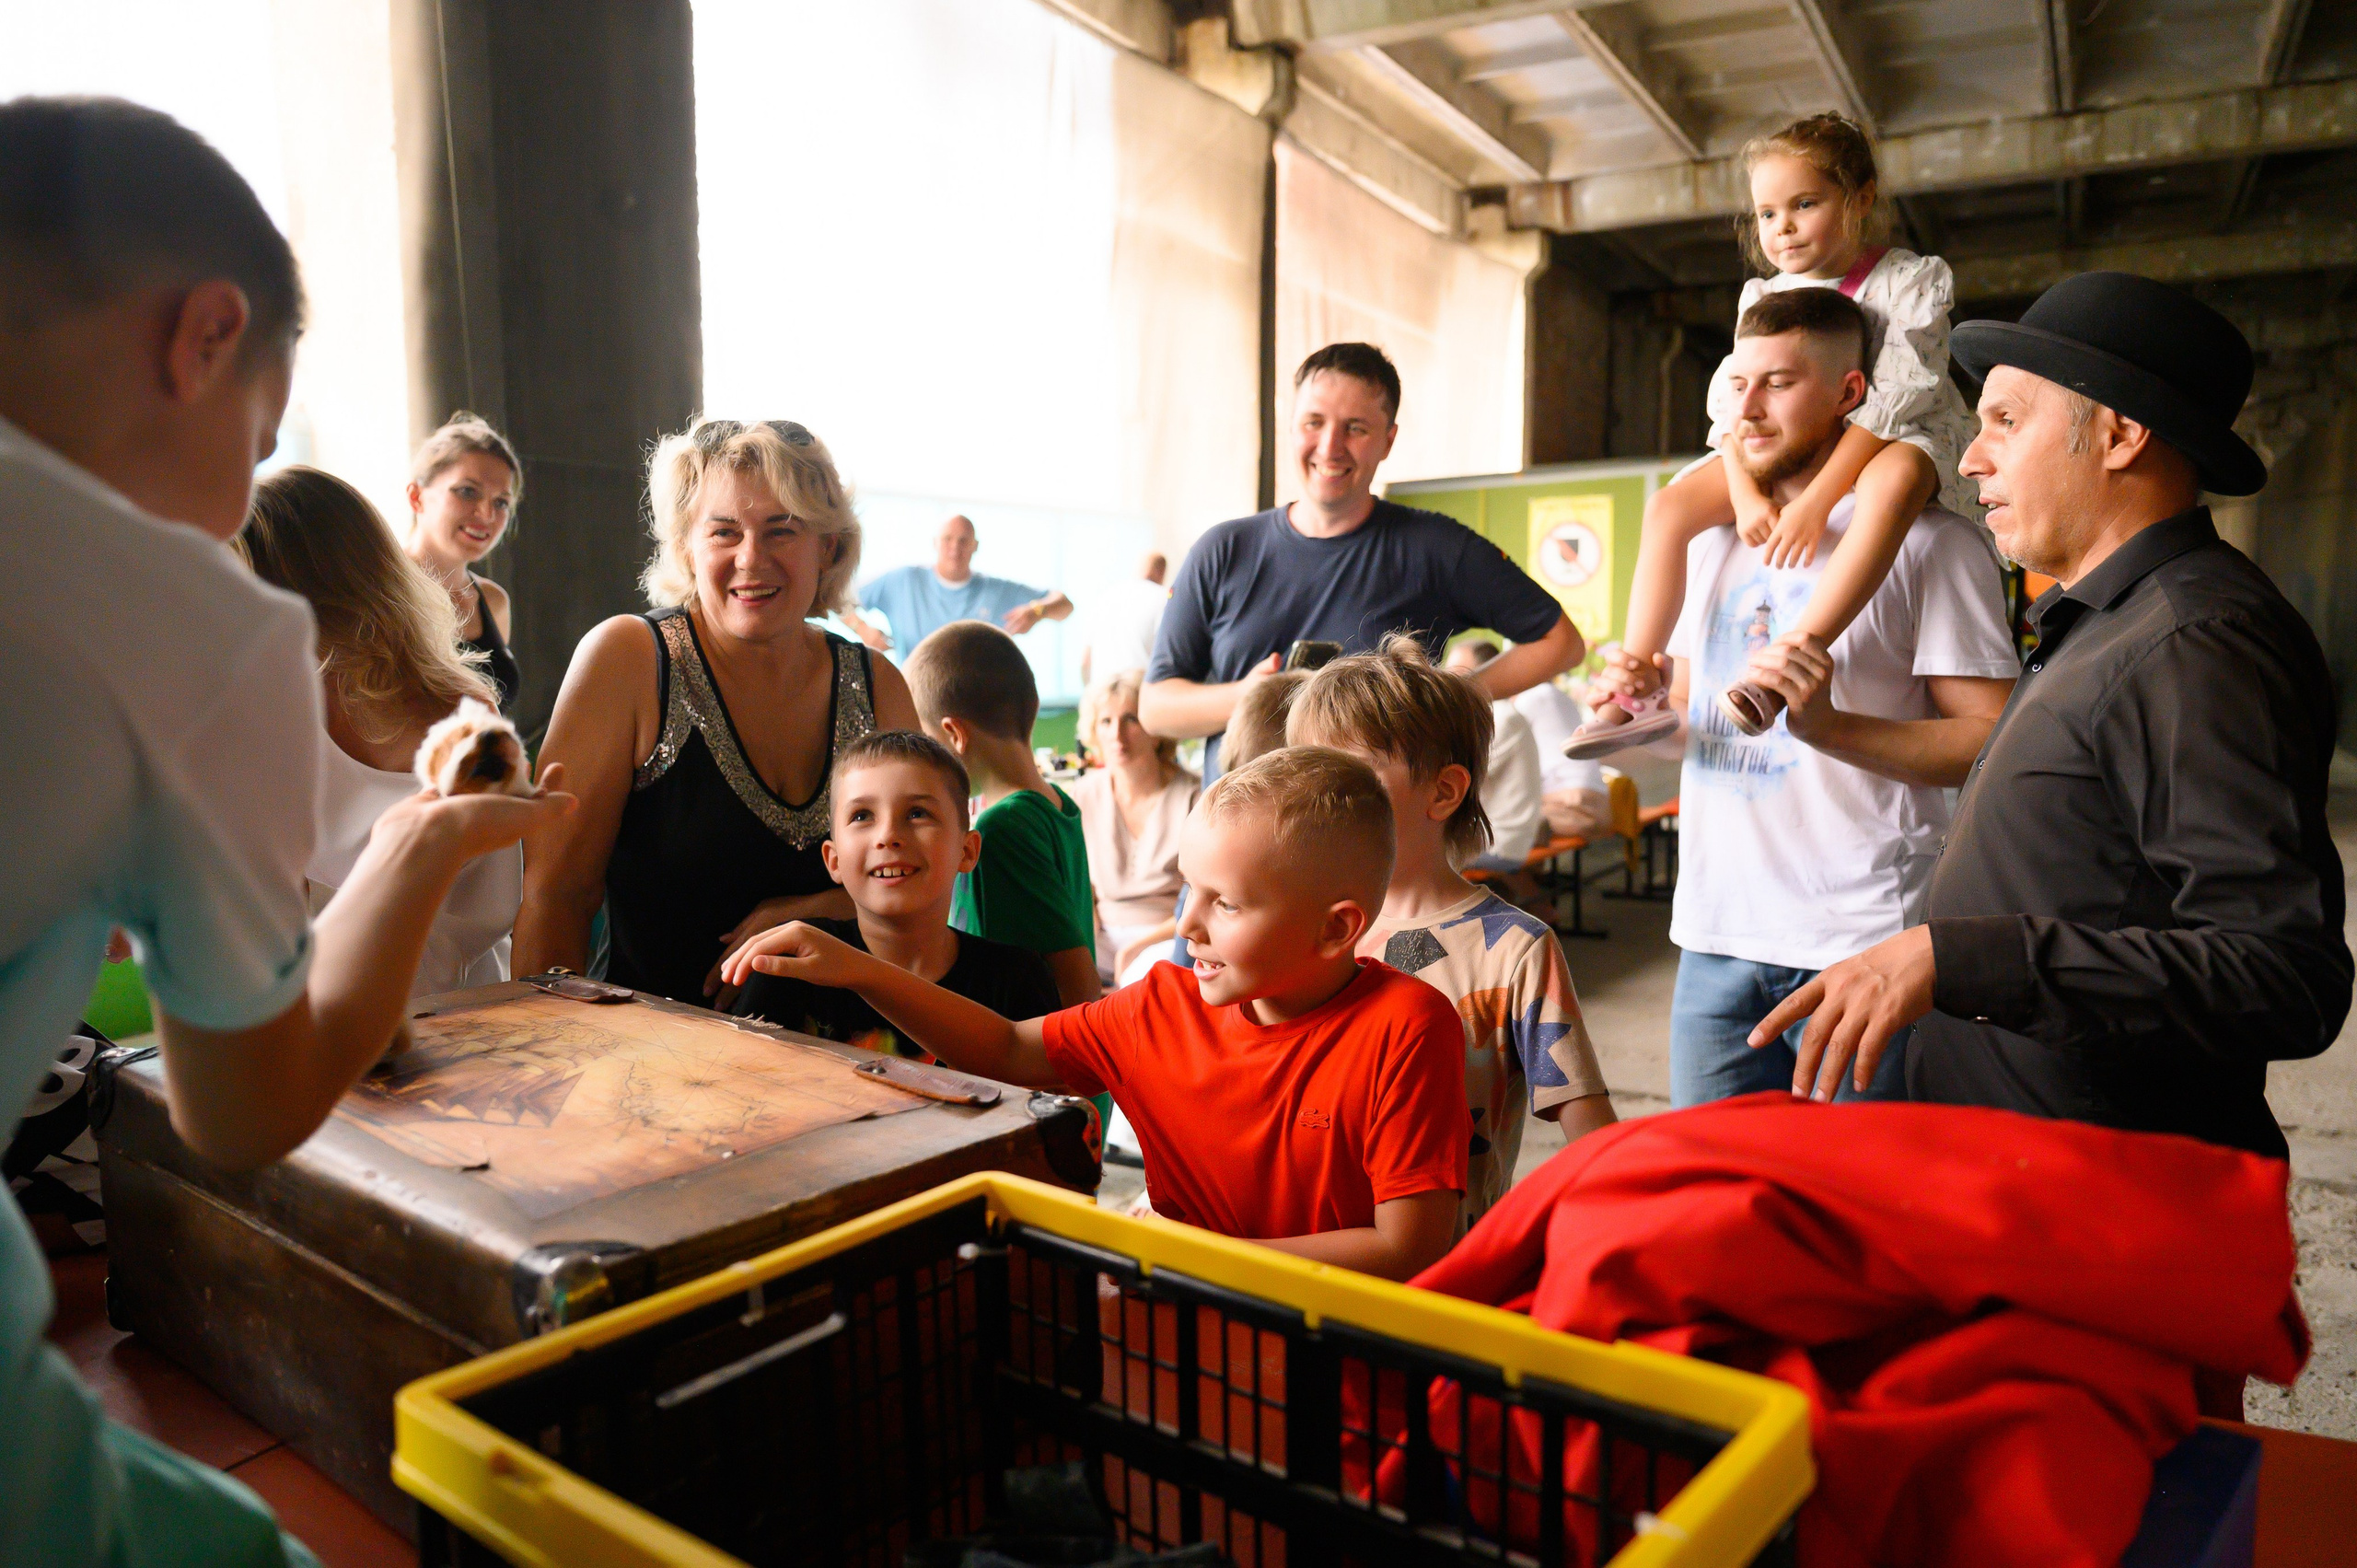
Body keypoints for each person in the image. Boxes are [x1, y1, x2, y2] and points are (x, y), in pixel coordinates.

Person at [0, 96, 567, 1566]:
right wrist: (429, 837)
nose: (235, 504)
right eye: (254, 438)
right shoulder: (194, 632)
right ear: (204, 336)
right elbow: (240, 1110)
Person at [1752, 273, 2352, 1163]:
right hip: (2019, 1182)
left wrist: (1962, 960)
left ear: (2118, 434)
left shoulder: (2196, 642)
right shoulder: (2111, 621)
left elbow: (2283, 975)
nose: (1969, 458)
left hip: (2104, 1211)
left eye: (2006, 421)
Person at [722, 748, 1470, 1282]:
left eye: (1228, 903)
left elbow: (1408, 1247)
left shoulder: (1406, 1025)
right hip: (1184, 1344)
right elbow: (1010, 1049)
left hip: (1343, 1367)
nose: (1189, 926)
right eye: (1190, 891)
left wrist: (1194, 1256)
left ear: (1337, 928)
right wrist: (856, 969)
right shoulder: (1158, 1006)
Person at [1591, 285, 2016, 1109]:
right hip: (1714, 938)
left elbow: (1992, 740)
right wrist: (1635, 709)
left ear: (1851, 394)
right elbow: (1694, 727)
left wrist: (1830, 727)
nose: (1745, 409)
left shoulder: (1933, 544)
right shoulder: (1709, 542)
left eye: (1779, 383)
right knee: (1712, 1212)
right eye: (1738, 383)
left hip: (1863, 948)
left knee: (1855, 1214)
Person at [1570, 112, 1980, 755]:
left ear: (1860, 198)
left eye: (1804, 204)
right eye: (1765, 213)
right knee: (1670, 504)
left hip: (1893, 435)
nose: (1781, 227)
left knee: (1897, 478)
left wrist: (1816, 504)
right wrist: (1746, 493)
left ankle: (1793, 655)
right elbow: (1734, 407)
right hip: (1794, 447)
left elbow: (1892, 402)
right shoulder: (1764, 294)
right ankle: (1636, 681)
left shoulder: (1907, 282)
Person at [513, 417, 920, 1007]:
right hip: (656, 1066)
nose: (751, 559)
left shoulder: (876, 682)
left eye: (781, 532)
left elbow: (932, 877)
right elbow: (555, 896)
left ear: (827, 546)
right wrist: (545, 1063)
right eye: (724, 533)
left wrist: (819, 910)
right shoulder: (628, 660)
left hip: (851, 1056)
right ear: (686, 546)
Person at [1290, 638, 1614, 1229]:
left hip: (1446, 1278)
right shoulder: (1296, 926)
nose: (1316, 793)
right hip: (1296, 1261)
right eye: (1306, 769)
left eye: (1351, 771)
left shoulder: (1516, 950)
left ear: (1443, 791)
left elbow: (1593, 1141)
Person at [1142, 343, 1584, 775]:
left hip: (1377, 837)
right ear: (1291, 426)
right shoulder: (1223, 551)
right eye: (1314, 422)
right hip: (1239, 832)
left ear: (1388, 439)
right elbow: (1156, 709)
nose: (1330, 447)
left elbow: (1561, 643)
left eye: (1355, 427)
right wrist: (1254, 696)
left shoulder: (1434, 548)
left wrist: (1446, 697)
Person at [242, 467, 522, 996]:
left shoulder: (465, 716)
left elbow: (479, 917)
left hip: (448, 1016)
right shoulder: (261, 715)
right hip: (298, 1012)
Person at [732, 730, 1059, 1056]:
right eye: (862, 816)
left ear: (967, 851)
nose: (887, 835)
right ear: (834, 861)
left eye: (917, 813)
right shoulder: (787, 968)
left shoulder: (1017, 980)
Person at [902, 620, 1100, 1011]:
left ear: (954, 735)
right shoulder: (1056, 803)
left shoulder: (1003, 829)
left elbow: (1080, 984)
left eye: (925, 738)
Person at [1074, 669, 1199, 986]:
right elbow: (1078, 884)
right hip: (1102, 937)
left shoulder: (1195, 796)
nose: (1117, 734)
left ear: (1156, 730)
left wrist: (1137, 946)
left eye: (1131, 719)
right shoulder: (1083, 794)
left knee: (1142, 978)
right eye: (1105, 722)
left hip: (1169, 936)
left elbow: (1205, 897)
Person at [403, 411, 523, 710]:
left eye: (501, 502)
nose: (486, 514)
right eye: (467, 491)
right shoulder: (379, 588)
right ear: (416, 496)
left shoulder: (494, 601)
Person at [842, 513, 1073, 655]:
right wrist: (862, 629)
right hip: (914, 705)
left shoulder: (996, 591)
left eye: (963, 540)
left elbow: (1064, 605)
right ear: (935, 543)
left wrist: (1037, 611)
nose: (955, 547)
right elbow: (838, 598)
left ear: (976, 546)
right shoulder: (903, 581)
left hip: (979, 710)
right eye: (948, 539)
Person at [1442, 639, 1547, 871]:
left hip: (1498, 844)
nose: (1448, 683)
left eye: (1458, 675)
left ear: (1489, 672)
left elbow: (1455, 780)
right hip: (1495, 839)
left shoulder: (1499, 717)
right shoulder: (1493, 715)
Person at [1080, 550, 1168, 687]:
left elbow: (1085, 661)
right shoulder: (1165, 598)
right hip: (1139, 694)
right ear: (1162, 572)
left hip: (1102, 694)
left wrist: (1090, 694)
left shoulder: (1105, 598)